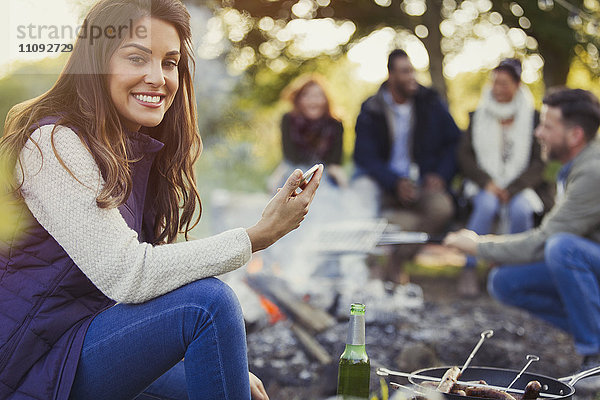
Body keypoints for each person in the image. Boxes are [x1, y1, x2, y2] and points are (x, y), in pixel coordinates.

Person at [0, 0, 323, 399]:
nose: (158, 77)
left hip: (78, 346)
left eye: (170, 63)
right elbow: (130, 274)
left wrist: (227, 363)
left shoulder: (130, 150)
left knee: (223, 375)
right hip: (26, 364)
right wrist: (256, 236)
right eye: (138, 58)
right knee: (209, 303)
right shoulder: (52, 143)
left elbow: (155, 287)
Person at [444, 88, 600, 387]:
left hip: (584, 257)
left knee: (562, 248)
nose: (538, 132)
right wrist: (488, 245)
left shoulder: (593, 171)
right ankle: (594, 332)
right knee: (506, 281)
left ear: (575, 135)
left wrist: (478, 246)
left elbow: (546, 241)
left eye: (547, 126)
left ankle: (595, 357)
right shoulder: (578, 166)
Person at [353, 49, 461, 279]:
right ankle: (367, 268)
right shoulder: (372, 108)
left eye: (412, 70)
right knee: (361, 196)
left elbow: (453, 141)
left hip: (422, 183)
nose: (412, 77)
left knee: (442, 208)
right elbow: (364, 155)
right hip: (384, 183)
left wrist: (440, 175)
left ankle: (397, 260)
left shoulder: (430, 102)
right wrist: (394, 182)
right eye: (405, 72)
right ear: (391, 75)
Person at [456, 59, 552, 296]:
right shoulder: (478, 115)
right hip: (484, 185)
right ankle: (468, 268)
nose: (497, 88)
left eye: (504, 83)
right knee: (485, 205)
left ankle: (514, 269)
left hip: (521, 187)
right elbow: (465, 155)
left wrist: (513, 188)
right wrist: (487, 183)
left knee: (521, 210)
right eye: (495, 83)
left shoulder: (533, 118)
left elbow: (539, 162)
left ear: (517, 85)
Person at [269, 75, 346, 190]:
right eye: (307, 95)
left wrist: (342, 182)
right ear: (298, 99)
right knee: (276, 187)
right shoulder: (288, 119)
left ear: (326, 99)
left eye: (318, 96)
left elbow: (335, 161)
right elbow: (290, 156)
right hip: (294, 169)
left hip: (323, 171)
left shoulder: (335, 123)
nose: (313, 100)